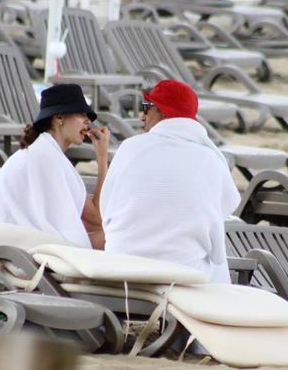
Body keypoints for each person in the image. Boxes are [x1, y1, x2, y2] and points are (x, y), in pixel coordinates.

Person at [100, 79, 240, 283]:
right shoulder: (210, 160)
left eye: (147, 107)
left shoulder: (129, 148)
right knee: (216, 258)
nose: (141, 116)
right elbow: (227, 206)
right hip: (183, 277)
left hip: (122, 269)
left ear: (164, 112)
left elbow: (107, 211)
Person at [0, 84, 110, 249]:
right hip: (24, 252)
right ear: (59, 118)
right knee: (113, 238)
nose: (88, 121)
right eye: (81, 114)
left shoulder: (40, 152)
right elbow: (96, 220)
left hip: (5, 246)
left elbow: (92, 222)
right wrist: (102, 157)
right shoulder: (49, 157)